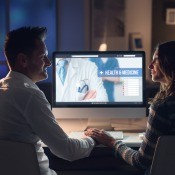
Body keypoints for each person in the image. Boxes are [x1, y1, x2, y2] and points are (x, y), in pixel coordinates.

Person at [0, 26, 96, 175]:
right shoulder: (30, 95)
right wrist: (91, 139)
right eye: (42, 56)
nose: (49, 62)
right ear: (23, 60)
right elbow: (68, 151)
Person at [85, 41, 175, 175]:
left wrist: (111, 141)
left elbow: (140, 161)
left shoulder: (162, 107)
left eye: (156, 60)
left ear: (169, 64)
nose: (150, 66)